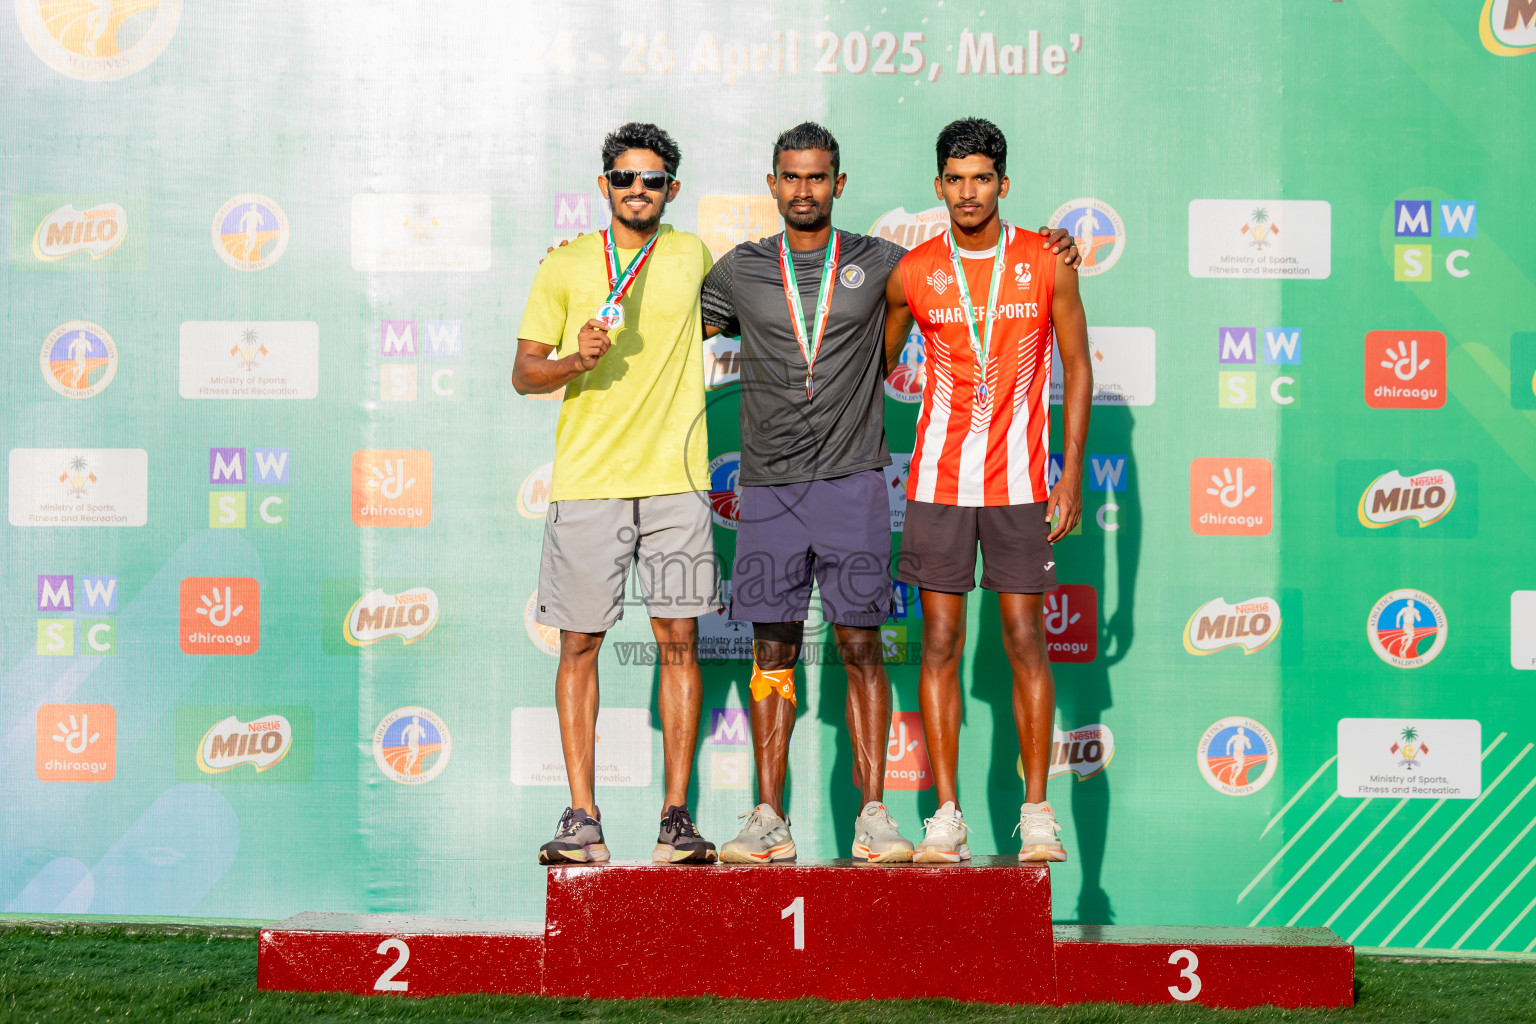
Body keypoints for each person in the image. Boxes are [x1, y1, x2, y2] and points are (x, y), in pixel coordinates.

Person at [701, 122, 1077, 864]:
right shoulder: (736, 269)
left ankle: (875, 813)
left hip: (854, 483)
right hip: (771, 489)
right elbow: (672, 322)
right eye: (790, 177)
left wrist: (1055, 243)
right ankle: (768, 815)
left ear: (839, 185)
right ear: (772, 184)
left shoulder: (888, 265)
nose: (804, 190)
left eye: (818, 177)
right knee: (772, 650)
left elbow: (975, 268)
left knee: (862, 646)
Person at [885, 117, 1092, 864]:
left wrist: (1068, 470)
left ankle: (1038, 812)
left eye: (982, 179)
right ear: (937, 186)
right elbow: (871, 363)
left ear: (1002, 185)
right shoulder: (913, 271)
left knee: (1025, 641)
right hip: (939, 481)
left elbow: (1078, 363)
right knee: (938, 643)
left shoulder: (1046, 259)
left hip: (1019, 482)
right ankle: (945, 815)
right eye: (955, 179)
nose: (968, 192)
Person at [513, 122, 720, 865]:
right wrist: (574, 359)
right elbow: (523, 373)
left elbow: (757, 296)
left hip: (677, 481)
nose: (640, 190)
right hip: (590, 482)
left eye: (654, 179)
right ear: (604, 184)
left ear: (672, 188)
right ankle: (582, 818)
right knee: (579, 645)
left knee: (679, 644)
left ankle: (675, 820)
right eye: (626, 178)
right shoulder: (566, 264)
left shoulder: (693, 254)